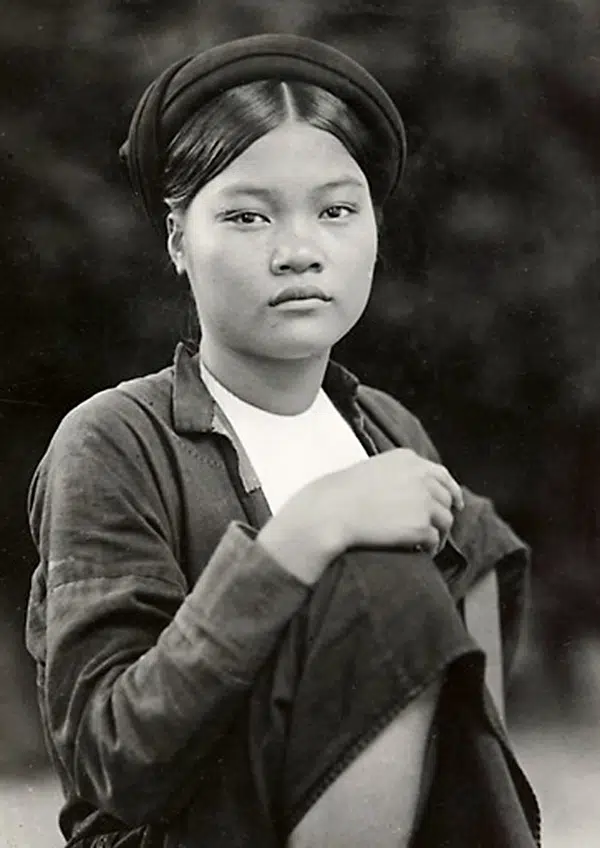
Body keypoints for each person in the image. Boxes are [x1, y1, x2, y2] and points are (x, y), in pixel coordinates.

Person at [25, 34, 540, 847]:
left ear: (374, 230)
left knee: (467, 535)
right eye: (246, 215)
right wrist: (298, 538)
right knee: (388, 586)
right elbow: (111, 762)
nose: (299, 251)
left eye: (337, 210)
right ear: (177, 240)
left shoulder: (388, 431)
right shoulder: (115, 441)